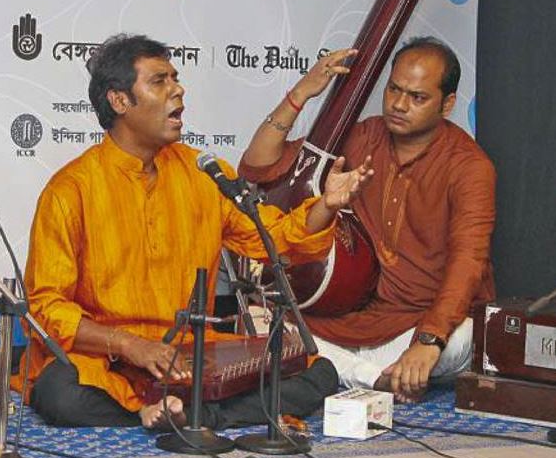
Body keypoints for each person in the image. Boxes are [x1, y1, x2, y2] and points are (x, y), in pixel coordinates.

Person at [21, 34, 373, 429]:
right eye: (159, 81)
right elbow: (46, 307)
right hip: (108, 358)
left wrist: (326, 204)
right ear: (119, 101)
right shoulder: (71, 190)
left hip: (189, 353)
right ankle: (188, 414)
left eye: (175, 78)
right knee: (59, 392)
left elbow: (270, 236)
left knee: (318, 372)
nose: (178, 90)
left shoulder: (202, 173)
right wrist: (130, 345)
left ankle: (179, 414)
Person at [237, 37, 495, 403]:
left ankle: (344, 369)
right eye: (394, 90)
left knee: (467, 337)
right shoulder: (364, 136)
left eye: (417, 97)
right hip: (354, 319)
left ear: (447, 104)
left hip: (419, 326)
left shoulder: (469, 167)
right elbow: (257, 166)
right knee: (259, 318)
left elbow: (469, 261)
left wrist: (429, 340)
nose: (399, 105)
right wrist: (302, 92)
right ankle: (377, 379)